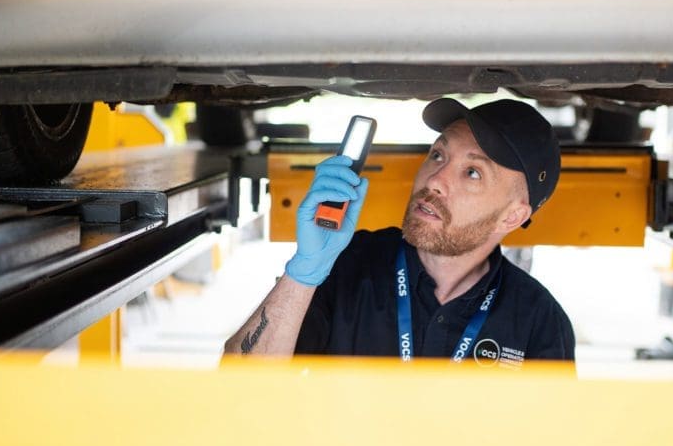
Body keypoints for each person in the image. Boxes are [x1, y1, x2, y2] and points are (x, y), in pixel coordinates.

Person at [224, 98, 575, 367]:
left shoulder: (539, 320)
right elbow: (239, 388)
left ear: (513, 216)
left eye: (472, 173)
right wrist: (302, 273)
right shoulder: (346, 266)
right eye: (438, 154)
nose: (435, 181)